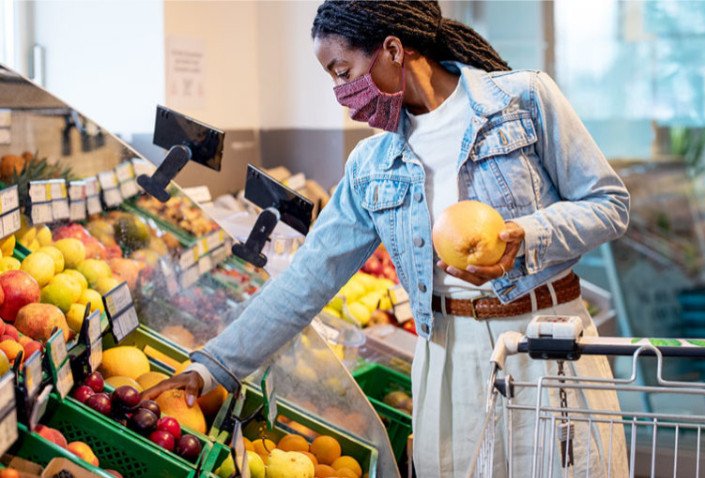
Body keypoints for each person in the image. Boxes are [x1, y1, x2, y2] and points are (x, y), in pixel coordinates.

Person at [144, 1, 630, 476]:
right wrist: (214, 366)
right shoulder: (370, 165)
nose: (340, 92)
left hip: (545, 343)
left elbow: (609, 204)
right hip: (446, 357)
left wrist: (524, 236)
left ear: (394, 49)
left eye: (342, 71)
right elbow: (308, 278)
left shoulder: (523, 99)